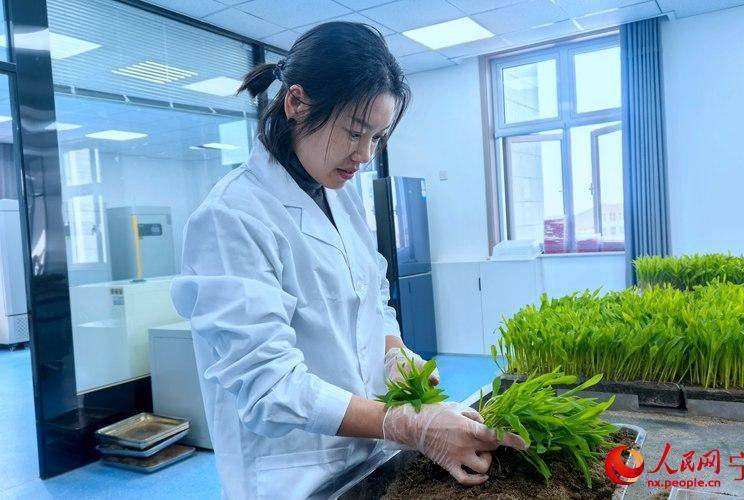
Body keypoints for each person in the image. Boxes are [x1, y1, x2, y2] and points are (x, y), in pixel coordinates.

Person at [170, 21, 525, 500]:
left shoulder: (341, 194)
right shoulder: (231, 217)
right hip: (294, 475)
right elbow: (268, 386)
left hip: (365, 458)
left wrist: (393, 351)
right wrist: (407, 423)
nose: (364, 155)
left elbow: (370, 293)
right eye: (355, 133)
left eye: (377, 137)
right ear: (296, 104)